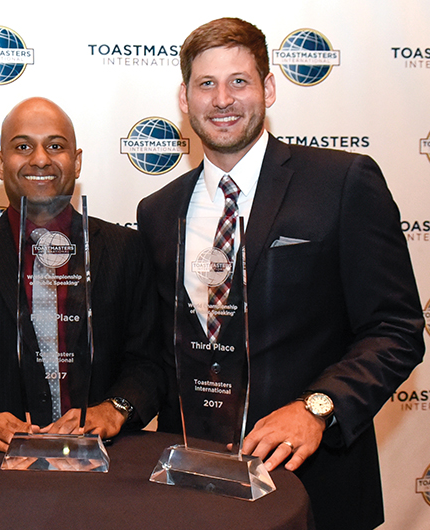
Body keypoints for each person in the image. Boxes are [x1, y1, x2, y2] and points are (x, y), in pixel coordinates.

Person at [137, 17, 424, 530]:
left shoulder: (342, 182)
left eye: (239, 81)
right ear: (184, 99)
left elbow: (396, 329)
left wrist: (316, 407)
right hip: (192, 484)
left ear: (268, 87)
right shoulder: (159, 211)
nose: (222, 99)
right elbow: (161, 350)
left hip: (311, 488)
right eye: (206, 84)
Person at [0, 97, 163, 452]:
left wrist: (116, 409)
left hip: (105, 467)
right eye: (22, 146)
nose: (40, 159)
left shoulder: (126, 250)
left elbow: (150, 361)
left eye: (55, 146)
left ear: (77, 161)